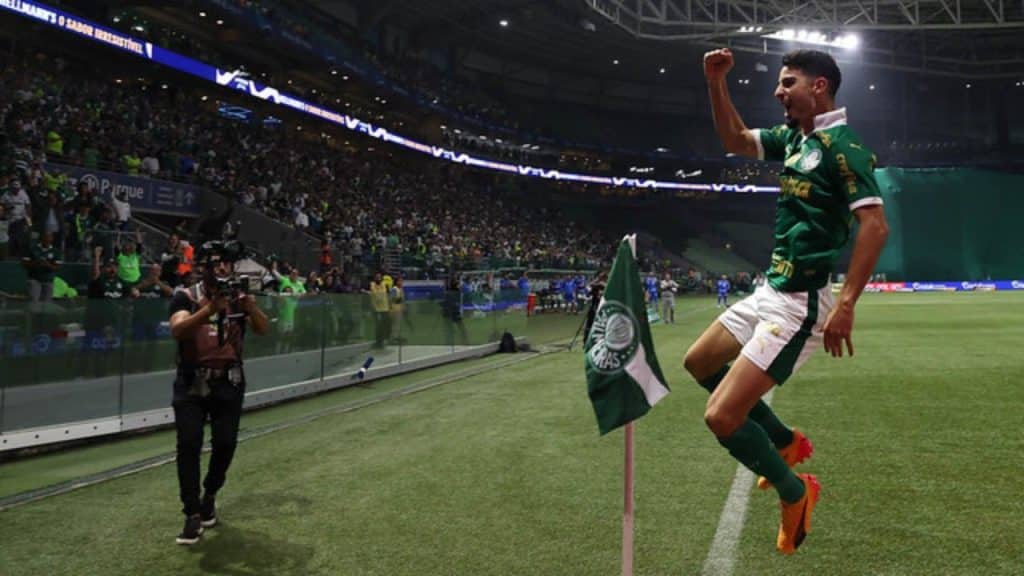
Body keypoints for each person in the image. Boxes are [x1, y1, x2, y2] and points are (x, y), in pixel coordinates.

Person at [686, 48, 889, 554]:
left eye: (788, 82)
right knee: (698, 361)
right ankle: (784, 441)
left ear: (818, 86)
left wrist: (845, 304)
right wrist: (716, 83)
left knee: (720, 418)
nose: (779, 91)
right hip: (769, 289)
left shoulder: (846, 148)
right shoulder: (796, 139)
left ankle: (796, 493)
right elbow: (734, 139)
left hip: (799, 305)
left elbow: (875, 226)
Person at [168, 247, 269, 545]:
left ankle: (209, 493)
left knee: (225, 443)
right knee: (188, 443)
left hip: (229, 381)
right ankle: (191, 513)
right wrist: (209, 310)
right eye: (217, 265)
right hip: (192, 381)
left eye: (226, 264)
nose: (223, 270)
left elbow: (263, 329)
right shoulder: (186, 295)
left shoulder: (239, 299)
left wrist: (250, 307)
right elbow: (178, 329)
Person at [24, 231, 62, 304]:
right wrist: (36, 263)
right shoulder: (33, 249)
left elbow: (58, 268)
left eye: (49, 237)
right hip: (34, 279)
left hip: (48, 281)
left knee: (47, 305)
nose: (47, 239)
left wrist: (48, 265)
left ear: (52, 239)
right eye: (45, 237)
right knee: (33, 302)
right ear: (41, 239)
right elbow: (24, 263)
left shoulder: (56, 251)